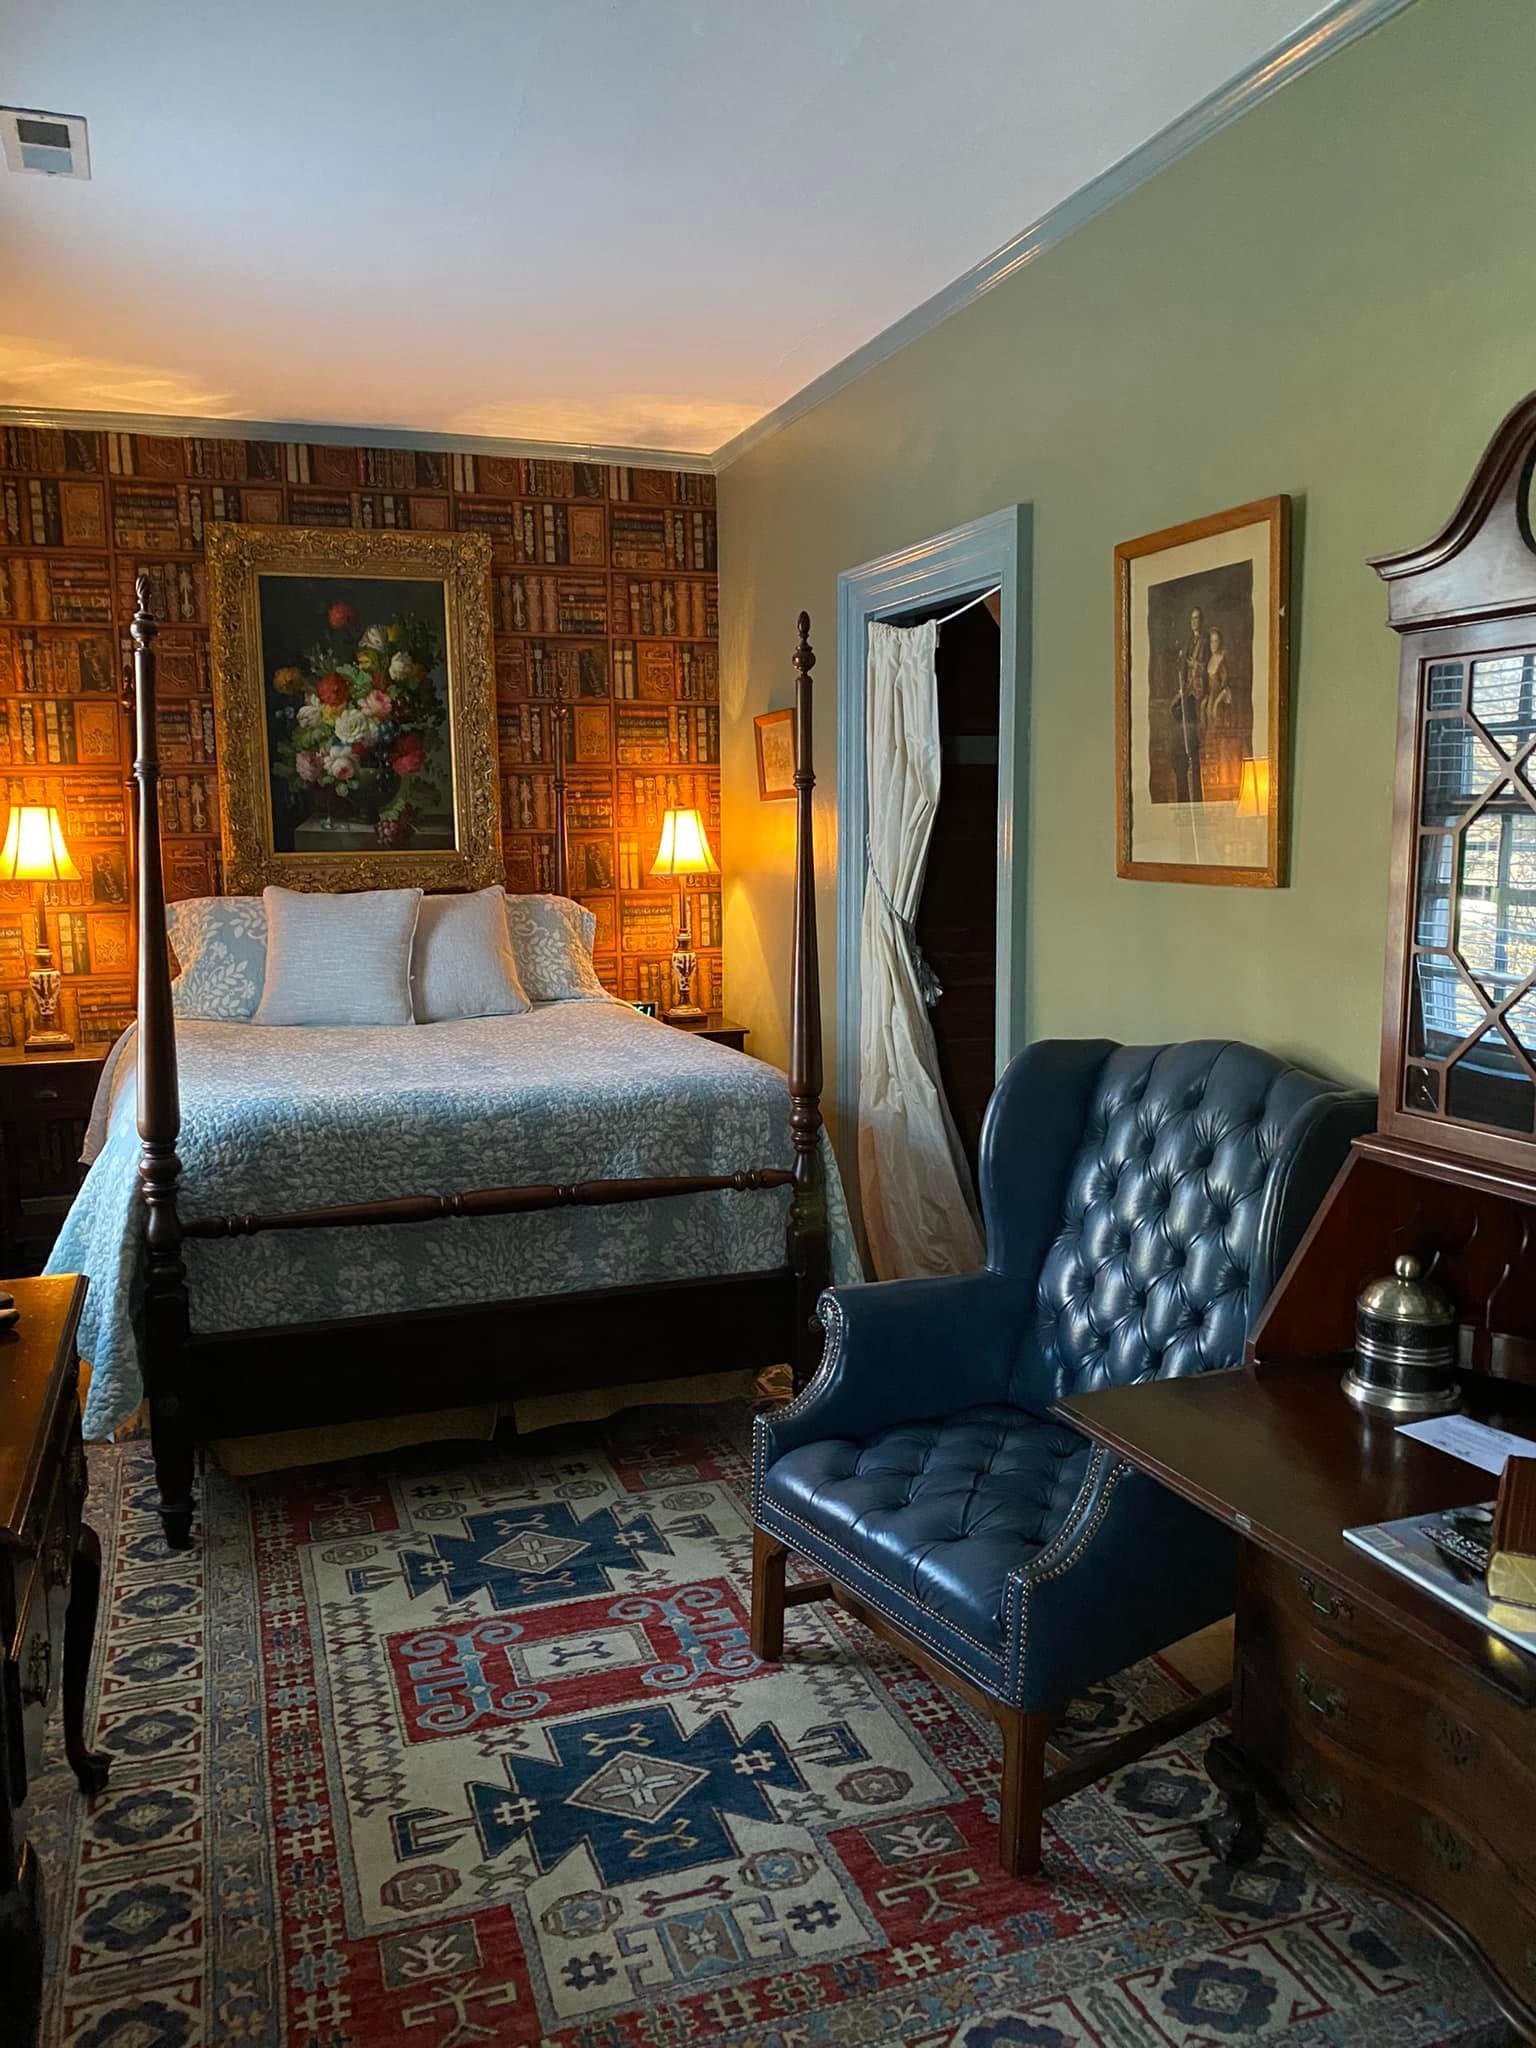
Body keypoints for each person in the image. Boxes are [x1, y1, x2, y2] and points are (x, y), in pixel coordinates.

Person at [1170, 605, 1209, 803]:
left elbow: (1209, 667)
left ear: (1202, 621)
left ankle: (1190, 742)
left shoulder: (1206, 642)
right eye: (1193, 618)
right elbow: (1184, 669)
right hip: (1188, 688)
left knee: (1191, 733)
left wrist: (1197, 666)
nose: (1195, 622)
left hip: (1199, 690)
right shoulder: (1188, 642)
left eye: (1198, 618)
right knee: (1174, 708)